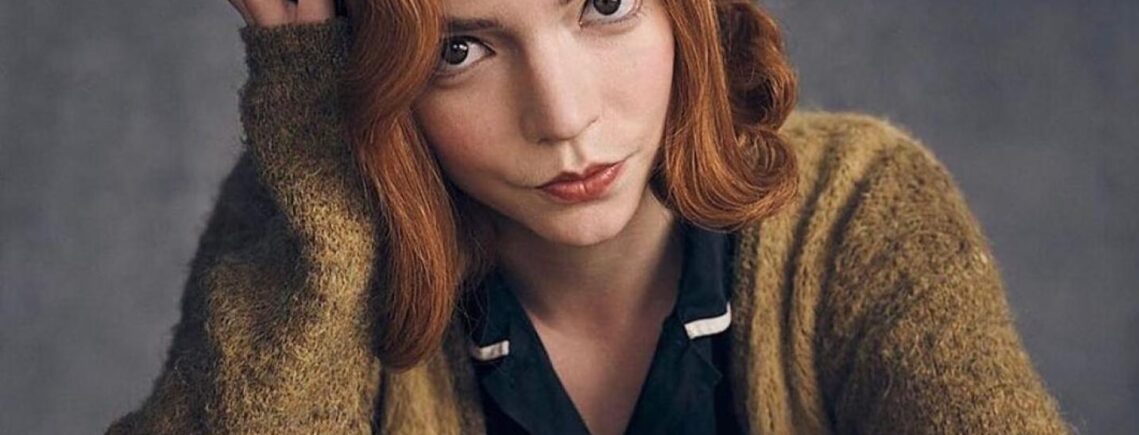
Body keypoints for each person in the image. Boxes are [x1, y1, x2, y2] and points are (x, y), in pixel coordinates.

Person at [106, 0, 1073, 433]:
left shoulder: (857, 205)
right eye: (460, 51)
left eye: (604, 4)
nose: (563, 118)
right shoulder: (317, 231)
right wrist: (322, 177)